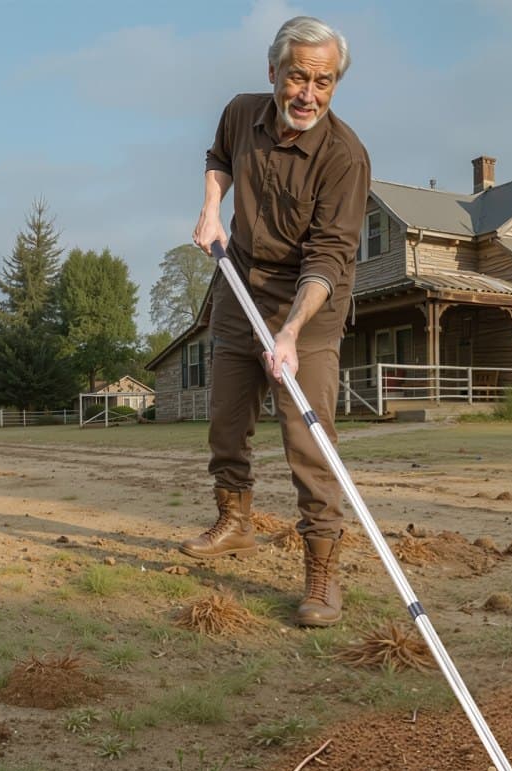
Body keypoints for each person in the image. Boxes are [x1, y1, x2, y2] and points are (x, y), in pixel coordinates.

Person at [180, 15, 370, 628]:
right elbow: (218, 158)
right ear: (273, 73)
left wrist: (290, 332)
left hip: (309, 307)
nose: (308, 94)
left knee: (307, 441)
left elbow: (330, 256)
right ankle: (234, 522)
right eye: (297, 77)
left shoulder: (344, 156)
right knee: (226, 419)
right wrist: (212, 208)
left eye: (324, 81)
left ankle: (322, 570)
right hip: (239, 287)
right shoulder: (241, 113)